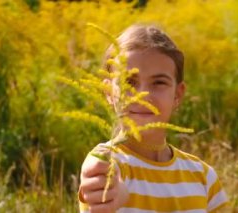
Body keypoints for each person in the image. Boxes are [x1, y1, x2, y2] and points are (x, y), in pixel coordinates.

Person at [79, 24, 228, 213]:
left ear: (178, 94)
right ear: (108, 91)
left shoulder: (203, 177)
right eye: (129, 82)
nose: (142, 95)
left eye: (159, 82)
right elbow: (95, 179)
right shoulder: (107, 163)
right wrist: (110, 195)